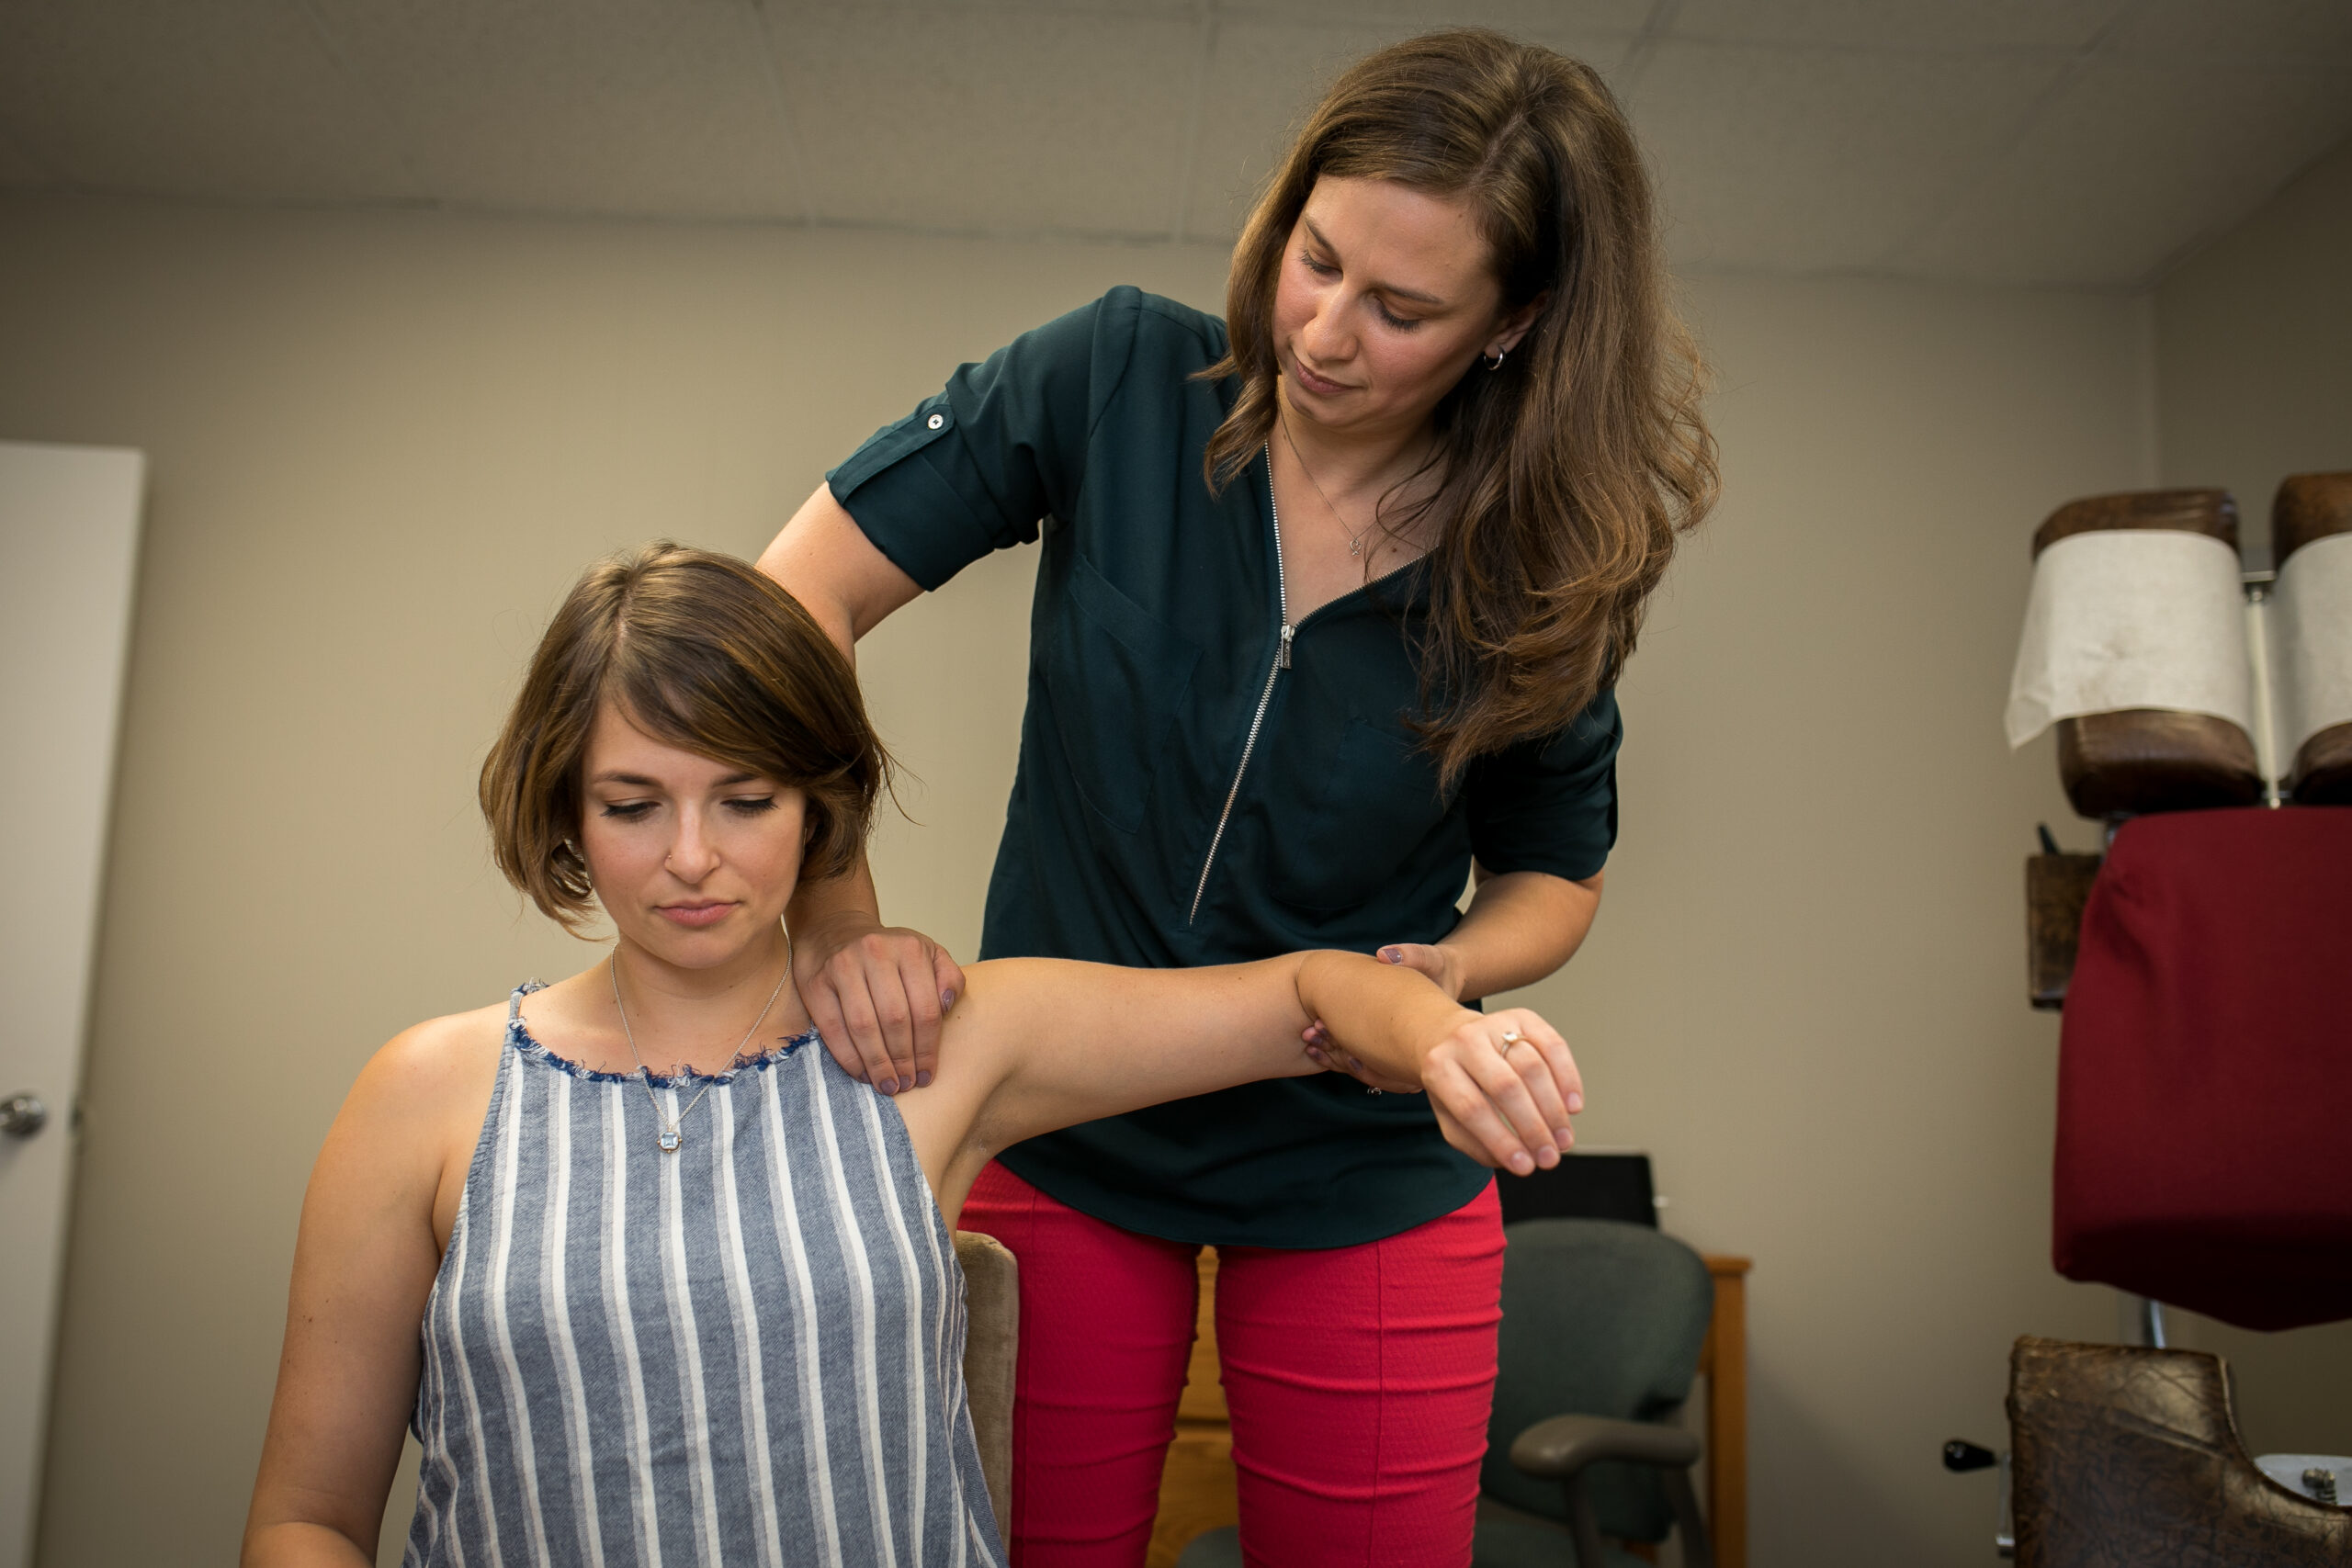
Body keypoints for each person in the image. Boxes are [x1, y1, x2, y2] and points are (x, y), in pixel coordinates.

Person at [758, 27, 1715, 1568]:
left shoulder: (1546, 564)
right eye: (1313, 257)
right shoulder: (1118, 376)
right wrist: (839, 919)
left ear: (1515, 324)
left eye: (1402, 309)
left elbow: (1557, 872)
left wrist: (1461, 973)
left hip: (1361, 1165)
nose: (1325, 330)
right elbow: (794, 596)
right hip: (1063, 1130)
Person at [239, 544, 1586, 1568]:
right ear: (565, 814)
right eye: (633, 805)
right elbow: (309, 1517)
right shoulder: (424, 1096)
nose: (693, 858)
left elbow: (1300, 993)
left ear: (822, 809)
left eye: (746, 801)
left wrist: (1444, 1036)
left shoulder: (932, 1050)